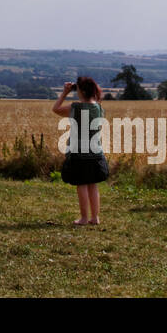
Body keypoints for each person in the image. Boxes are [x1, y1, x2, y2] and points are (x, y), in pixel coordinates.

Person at [53, 76, 108, 225]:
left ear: (82, 91)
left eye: (77, 89)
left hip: (79, 153)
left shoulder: (76, 107)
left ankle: (84, 218)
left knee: (81, 184)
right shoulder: (99, 108)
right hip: (96, 152)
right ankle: (95, 217)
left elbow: (56, 109)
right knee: (93, 184)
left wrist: (64, 93)